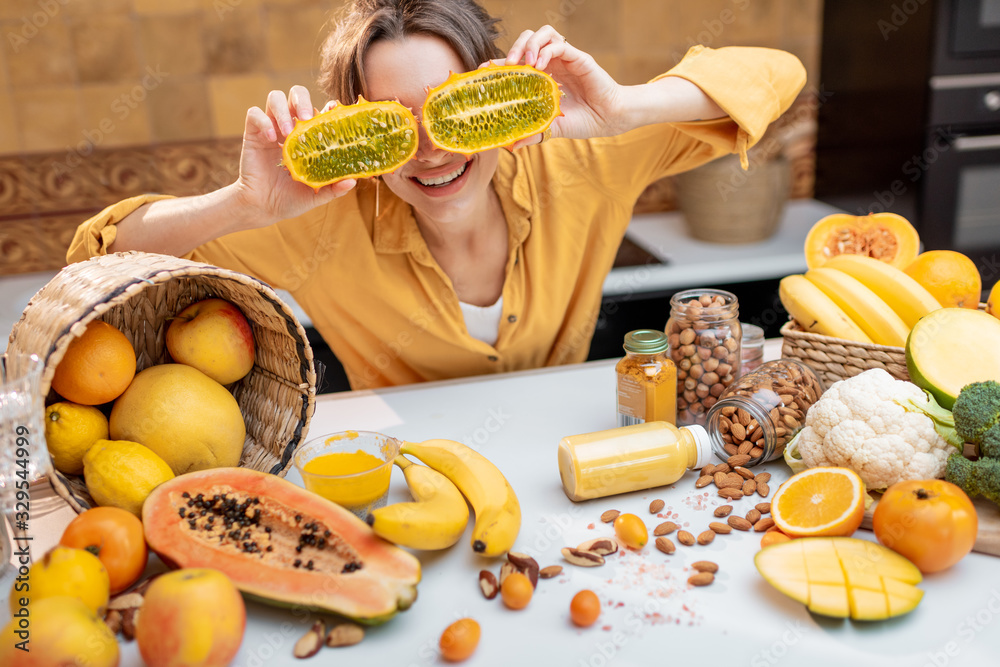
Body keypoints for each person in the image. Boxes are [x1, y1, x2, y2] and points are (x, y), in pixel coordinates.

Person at [67, 0, 806, 390]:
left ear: (498, 96)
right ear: (358, 129)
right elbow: (95, 259)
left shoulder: (581, 160)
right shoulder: (316, 221)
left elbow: (776, 75)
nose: (432, 148)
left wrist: (622, 109)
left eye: (456, 110)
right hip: (407, 474)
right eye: (394, 125)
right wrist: (243, 205)